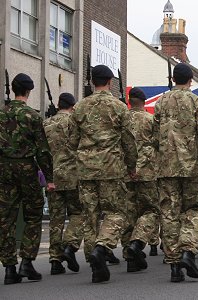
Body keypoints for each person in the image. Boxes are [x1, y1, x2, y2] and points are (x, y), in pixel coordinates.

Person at [68, 65, 138, 283]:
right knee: (117, 212)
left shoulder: (79, 107)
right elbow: (128, 140)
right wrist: (131, 165)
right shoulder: (118, 107)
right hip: (111, 168)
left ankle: (95, 265)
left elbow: (71, 140)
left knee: (90, 217)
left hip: (86, 169)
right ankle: (102, 246)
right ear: (110, 81)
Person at [153, 63, 198, 282]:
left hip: (166, 167)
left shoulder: (161, 102)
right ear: (191, 81)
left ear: (172, 79)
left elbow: (154, 135)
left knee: (169, 214)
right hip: (193, 168)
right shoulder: (197, 102)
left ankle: (174, 265)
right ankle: (188, 251)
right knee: (194, 210)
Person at [0, 73, 55, 285]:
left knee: (5, 218)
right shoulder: (32, 116)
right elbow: (42, 150)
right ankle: (27, 261)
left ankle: (9, 268)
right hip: (26, 168)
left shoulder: (2, 115)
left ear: (13, 90)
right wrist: (49, 178)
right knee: (33, 213)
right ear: (29, 91)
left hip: (4, 169)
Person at [43, 92, 84, 275]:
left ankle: (54, 260)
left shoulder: (46, 124)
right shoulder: (74, 123)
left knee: (56, 219)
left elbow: (42, 152)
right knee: (78, 213)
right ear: (72, 106)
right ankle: (70, 244)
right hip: (73, 176)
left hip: (53, 176)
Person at [123, 87, 161, 273]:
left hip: (124, 171)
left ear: (129, 101)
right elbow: (159, 145)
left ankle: (130, 256)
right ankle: (137, 243)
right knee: (151, 210)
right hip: (147, 172)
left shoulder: (121, 119)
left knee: (128, 212)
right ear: (145, 102)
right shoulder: (150, 120)